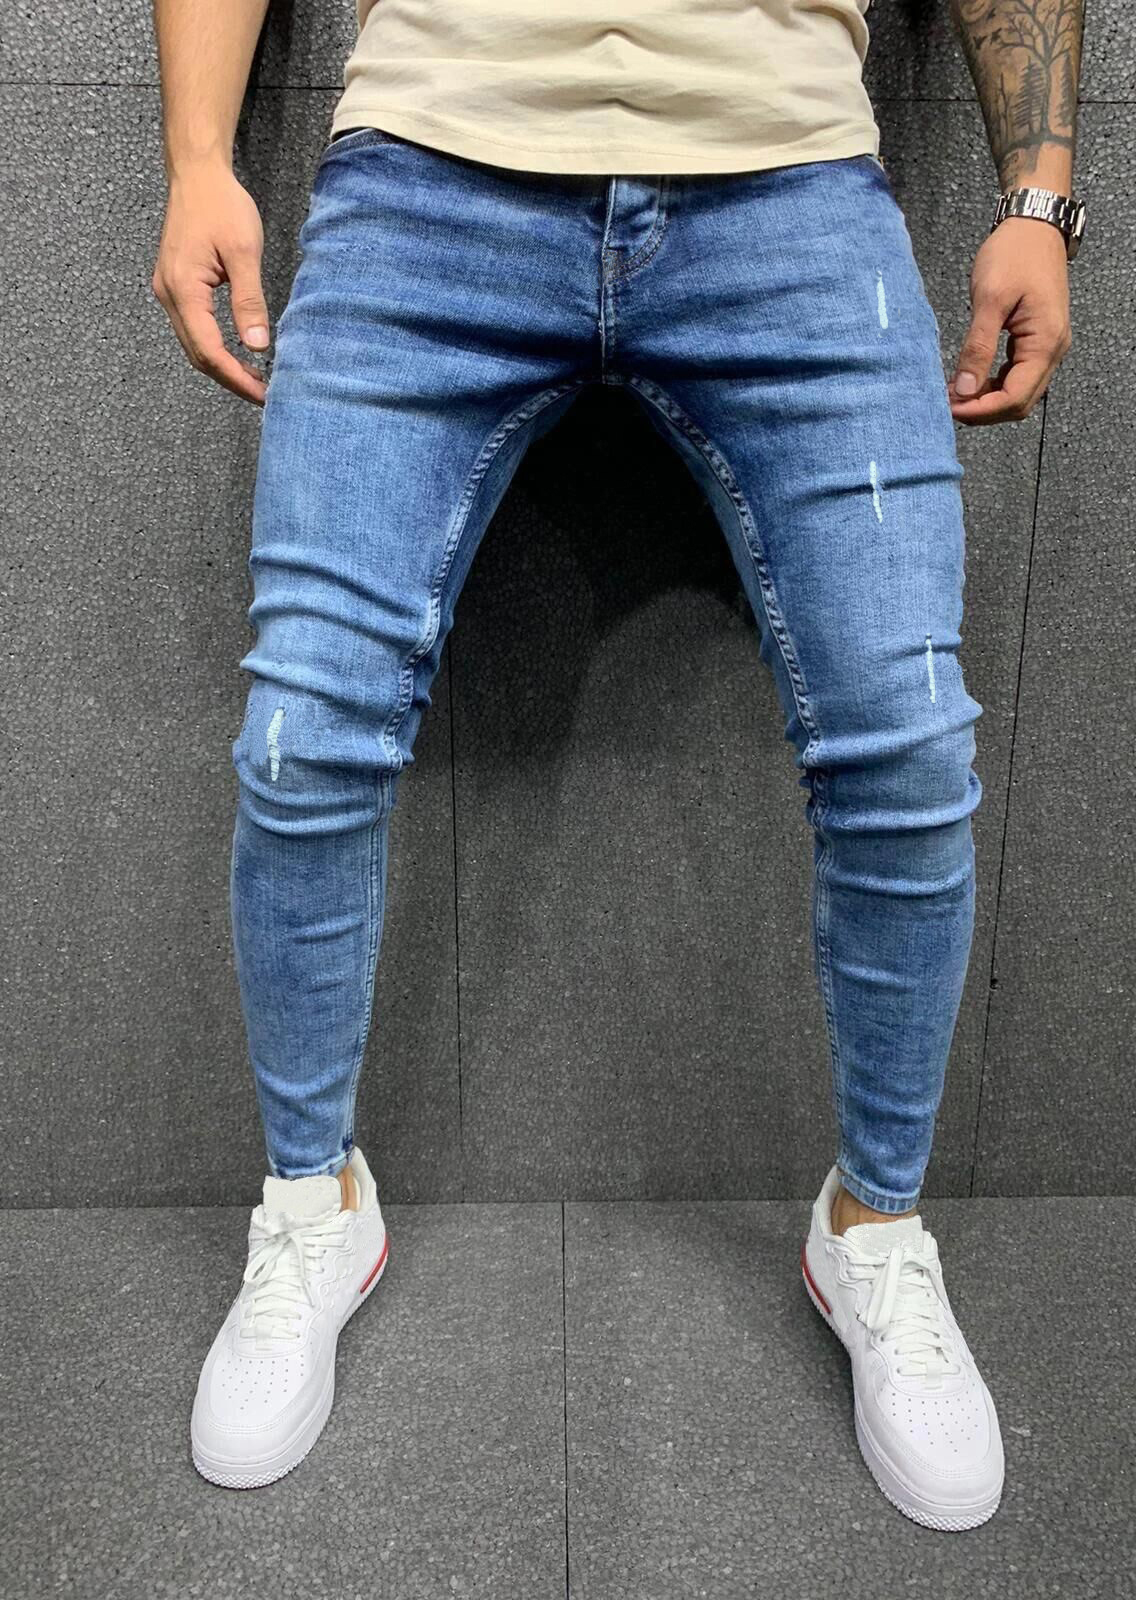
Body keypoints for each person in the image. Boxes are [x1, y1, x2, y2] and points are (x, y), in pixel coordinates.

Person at [151, 0, 1084, 1526]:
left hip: (787, 177)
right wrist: (198, 157)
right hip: (428, 172)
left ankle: (874, 1232)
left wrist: (1039, 198)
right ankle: (312, 1206)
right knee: (301, 734)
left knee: (910, 748)